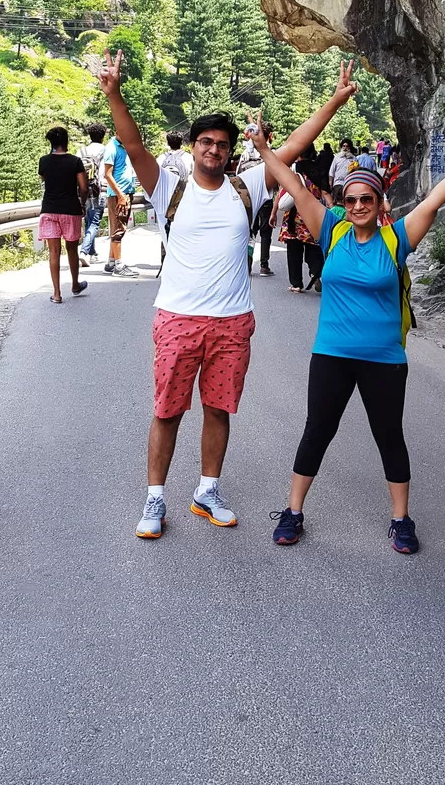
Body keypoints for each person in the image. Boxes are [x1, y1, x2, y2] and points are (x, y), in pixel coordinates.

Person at [97, 50, 359, 540]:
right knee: (167, 411)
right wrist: (114, 94)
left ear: (232, 151)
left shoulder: (248, 186)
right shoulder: (169, 188)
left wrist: (335, 101)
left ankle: (207, 491)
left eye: (222, 144)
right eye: (206, 142)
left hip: (233, 321)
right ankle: (155, 499)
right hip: (177, 317)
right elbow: (132, 146)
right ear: (194, 146)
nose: (213, 150)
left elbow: (297, 144)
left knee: (218, 410)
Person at [252, 115, 445, 556]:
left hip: (384, 359)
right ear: (343, 202)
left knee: (389, 436)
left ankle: (401, 520)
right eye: (351, 198)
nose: (358, 205)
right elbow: (296, 189)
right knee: (317, 431)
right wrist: (265, 150)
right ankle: (293, 511)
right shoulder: (331, 231)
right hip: (332, 355)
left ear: (380, 204)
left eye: (367, 199)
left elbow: (434, 200)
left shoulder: (397, 239)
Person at [38, 127, 89, 303]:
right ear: (66, 141)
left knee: (54, 251)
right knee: (72, 249)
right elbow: (84, 188)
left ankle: (57, 294)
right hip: (70, 209)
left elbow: (45, 181)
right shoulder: (75, 161)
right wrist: (82, 204)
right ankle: (75, 285)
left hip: (49, 209)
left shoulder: (44, 161)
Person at [274, 144, 325, 293]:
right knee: (313, 246)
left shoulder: (294, 169)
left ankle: (296, 283)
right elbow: (325, 191)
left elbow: (283, 191)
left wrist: (273, 212)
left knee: (294, 250)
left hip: (295, 215)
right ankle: (316, 273)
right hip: (313, 214)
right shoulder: (318, 169)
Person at [238, 120, 275, 275]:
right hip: (266, 198)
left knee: (249, 231)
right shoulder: (271, 153)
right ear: (269, 136)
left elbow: (239, 175)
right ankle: (264, 265)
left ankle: (247, 262)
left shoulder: (246, 153)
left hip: (248, 198)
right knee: (266, 233)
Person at [101, 130, 137, 278]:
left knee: (119, 228)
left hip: (125, 193)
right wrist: (120, 195)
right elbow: (108, 174)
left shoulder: (124, 146)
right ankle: (119, 266)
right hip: (118, 195)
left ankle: (111, 263)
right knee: (118, 230)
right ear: (117, 132)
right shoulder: (112, 148)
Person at [77, 123, 107, 265]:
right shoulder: (105, 151)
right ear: (103, 137)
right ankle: (84, 251)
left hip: (82, 192)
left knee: (88, 221)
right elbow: (105, 173)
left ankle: (92, 253)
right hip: (98, 191)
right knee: (94, 222)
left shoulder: (81, 151)